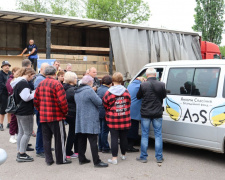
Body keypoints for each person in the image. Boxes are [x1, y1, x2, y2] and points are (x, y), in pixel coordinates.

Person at [34, 66, 71, 166]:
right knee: (60, 138)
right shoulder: (57, 84)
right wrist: (65, 112)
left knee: (46, 139)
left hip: (44, 116)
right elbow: (62, 101)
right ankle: (60, 159)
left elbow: (36, 101)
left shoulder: (40, 84)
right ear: (55, 74)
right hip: (56, 116)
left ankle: (49, 159)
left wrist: (41, 110)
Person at [75, 75, 108, 168]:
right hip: (90, 118)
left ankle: (81, 159)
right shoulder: (89, 90)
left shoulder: (77, 91)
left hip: (80, 118)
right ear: (90, 82)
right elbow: (99, 102)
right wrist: (95, 91)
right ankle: (96, 161)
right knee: (93, 141)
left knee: (81, 140)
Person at [136, 68, 167, 164]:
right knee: (158, 135)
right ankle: (159, 157)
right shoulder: (161, 84)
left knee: (145, 134)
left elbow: (138, 96)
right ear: (155, 74)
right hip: (157, 112)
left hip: (145, 113)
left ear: (146, 74)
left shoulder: (143, 84)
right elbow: (164, 96)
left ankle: (143, 157)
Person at [103, 72, 131, 165]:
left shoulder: (108, 92)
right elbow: (129, 103)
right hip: (125, 117)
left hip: (113, 118)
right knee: (124, 137)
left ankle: (114, 158)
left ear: (113, 80)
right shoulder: (126, 91)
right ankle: (123, 155)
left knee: (114, 138)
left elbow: (105, 104)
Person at [10, 67, 36, 162]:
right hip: (25, 111)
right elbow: (26, 97)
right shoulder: (23, 83)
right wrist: (36, 93)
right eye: (32, 76)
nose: (32, 78)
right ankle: (22, 154)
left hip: (19, 111)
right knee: (27, 132)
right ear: (28, 74)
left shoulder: (17, 82)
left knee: (21, 132)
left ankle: (20, 151)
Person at [34, 63, 49, 158]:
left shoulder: (42, 78)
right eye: (47, 69)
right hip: (41, 108)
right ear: (42, 69)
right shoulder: (40, 79)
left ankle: (43, 146)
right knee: (41, 128)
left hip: (42, 107)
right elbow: (37, 95)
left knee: (44, 128)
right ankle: (39, 149)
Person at [126, 77, 146, 152]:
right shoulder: (140, 86)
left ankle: (128, 144)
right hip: (136, 109)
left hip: (129, 108)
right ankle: (130, 146)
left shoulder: (130, 85)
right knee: (134, 128)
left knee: (129, 128)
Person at [63, 72, 78, 159]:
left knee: (71, 132)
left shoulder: (63, 87)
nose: (77, 80)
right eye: (76, 78)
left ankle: (69, 151)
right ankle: (68, 151)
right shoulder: (72, 90)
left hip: (67, 112)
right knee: (72, 133)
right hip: (72, 112)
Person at [97, 75, 112, 153]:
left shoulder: (99, 89)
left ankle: (100, 146)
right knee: (105, 131)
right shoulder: (108, 91)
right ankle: (105, 147)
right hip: (105, 111)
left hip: (99, 111)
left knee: (100, 130)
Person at [6, 67, 20, 143]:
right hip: (13, 102)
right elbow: (11, 90)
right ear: (13, 72)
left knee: (18, 120)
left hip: (17, 102)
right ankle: (12, 136)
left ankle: (17, 134)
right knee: (13, 120)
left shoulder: (17, 80)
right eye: (17, 72)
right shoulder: (10, 80)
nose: (18, 74)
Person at [0, 61, 12, 131]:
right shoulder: (0, 73)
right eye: (5, 65)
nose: (7, 67)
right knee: (3, 109)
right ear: (2, 67)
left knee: (10, 109)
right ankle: (1, 124)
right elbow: (1, 83)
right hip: (3, 93)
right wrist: (9, 87)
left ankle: (9, 123)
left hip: (10, 93)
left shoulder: (10, 73)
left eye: (8, 65)